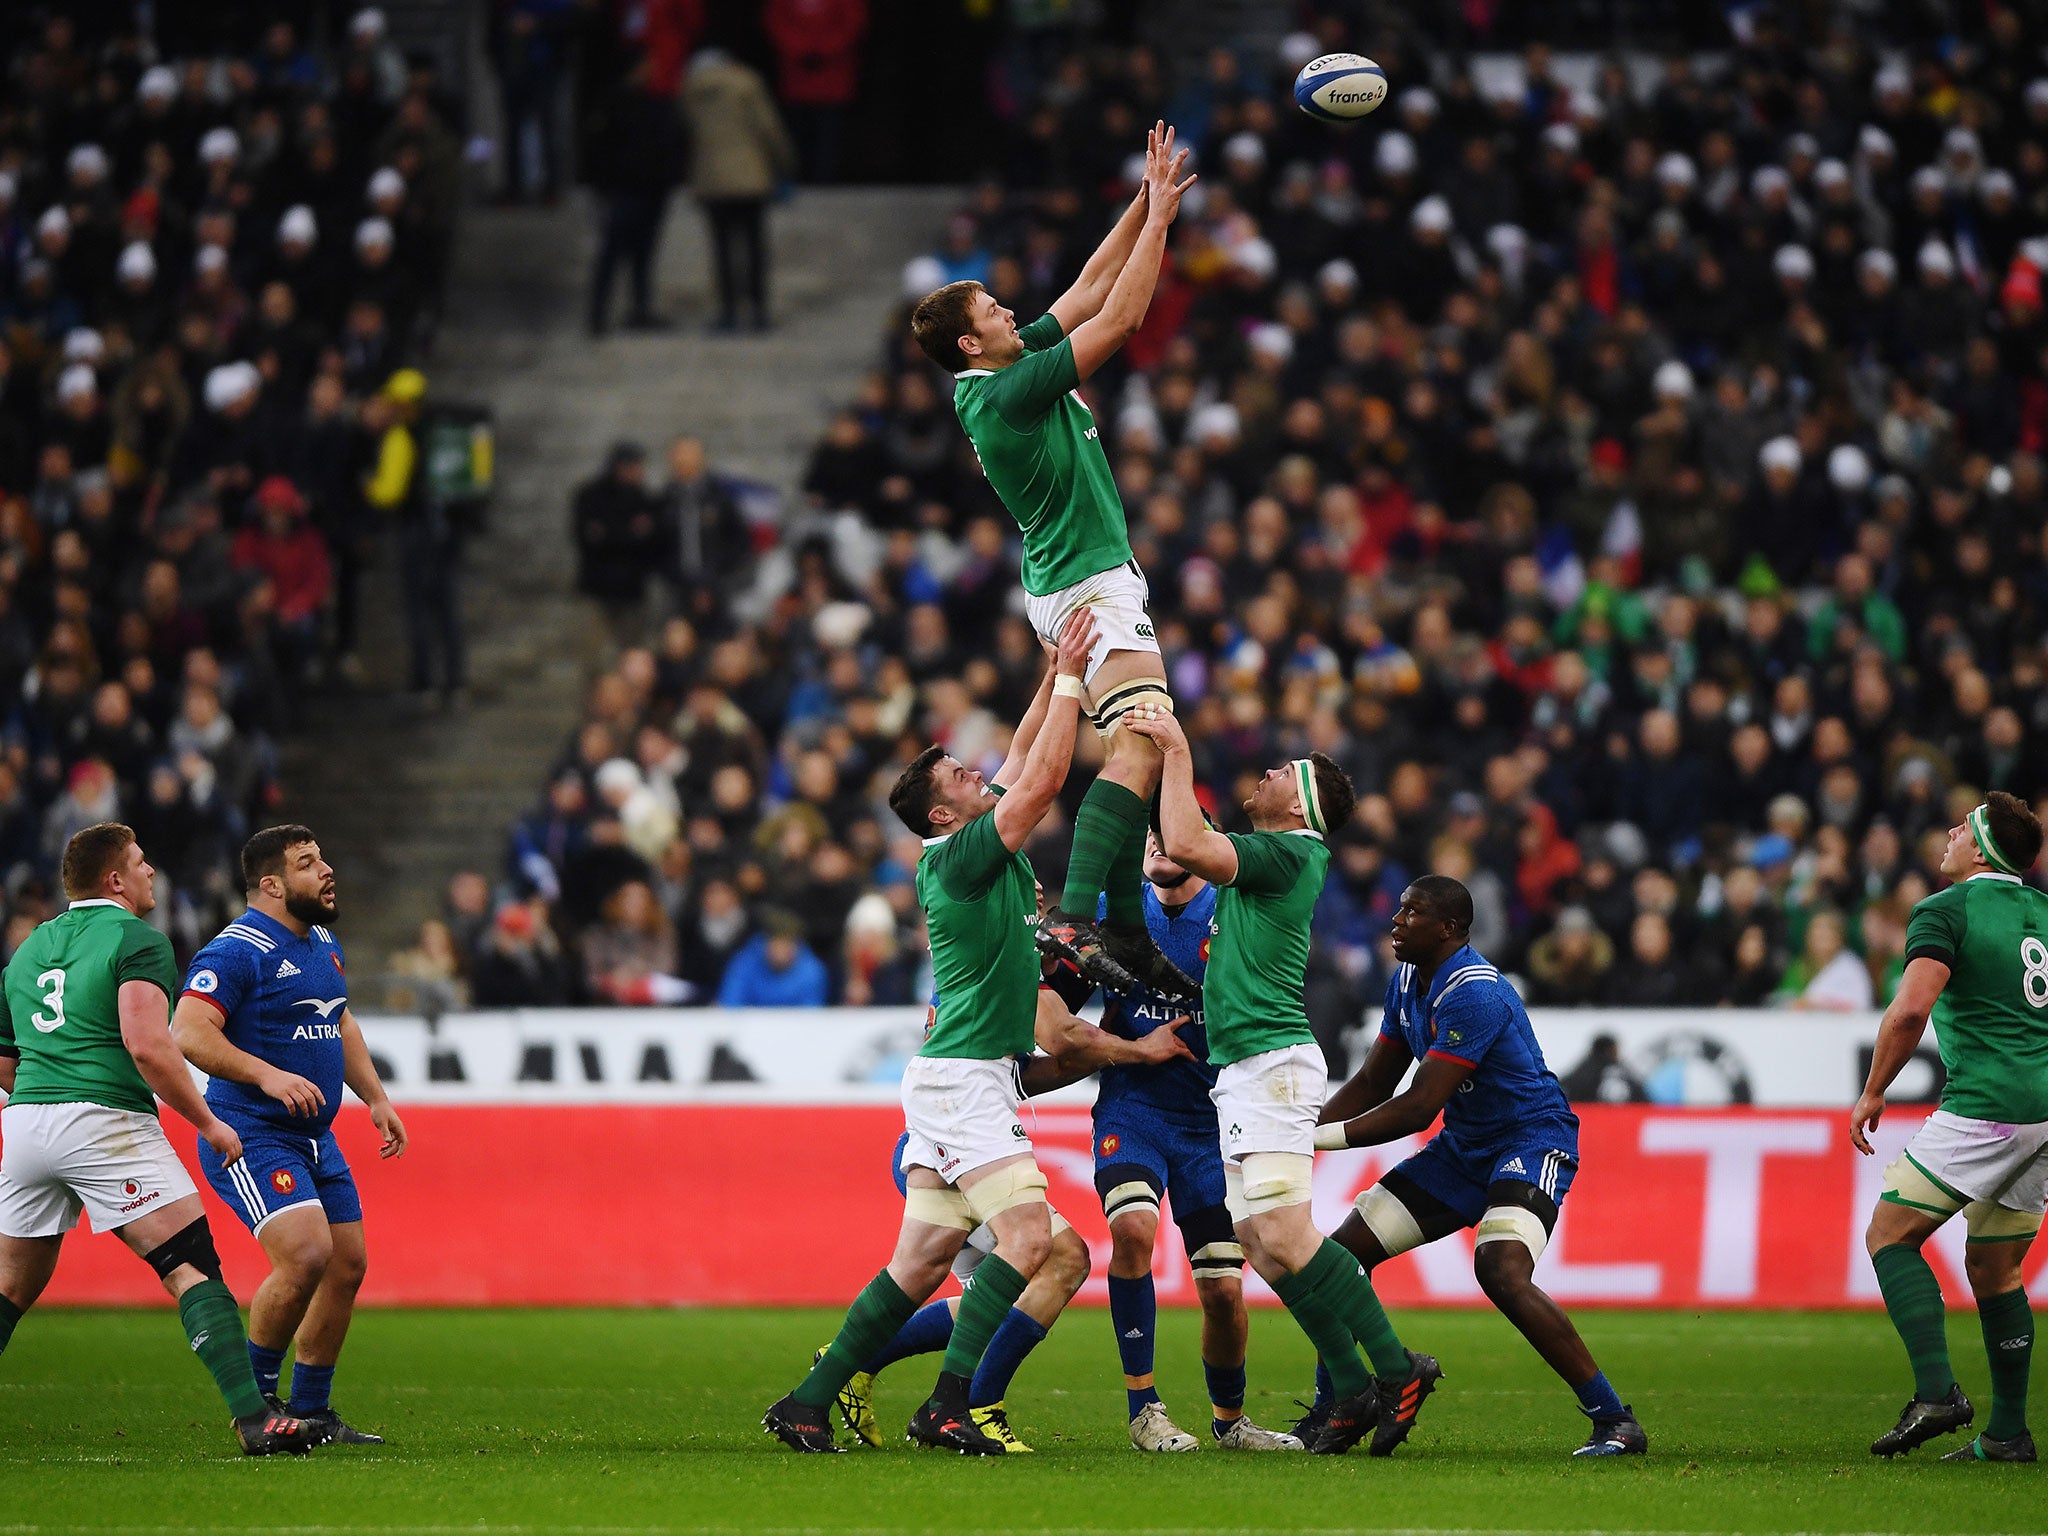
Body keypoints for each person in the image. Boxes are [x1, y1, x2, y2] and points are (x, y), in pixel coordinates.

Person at [762, 608, 1097, 1454]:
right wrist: (1070, 684)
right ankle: (950, 1404)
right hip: (963, 1081)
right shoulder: (960, 856)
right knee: (1029, 1241)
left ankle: (807, 1400)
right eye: (957, 775)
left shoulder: (971, 846)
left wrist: (1055, 669)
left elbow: (1021, 762)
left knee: (918, 1266)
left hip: (956, 1077)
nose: (975, 772)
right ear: (943, 816)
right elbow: (1041, 784)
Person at [909, 124, 1198, 1004]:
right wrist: (1163, 229)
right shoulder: (1006, 391)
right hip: (1088, 580)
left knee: (1137, 744)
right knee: (1147, 737)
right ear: (968, 345)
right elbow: (1120, 317)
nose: (1006, 310)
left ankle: (1120, 931)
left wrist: (1144, 201)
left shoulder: (1002, 367)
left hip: (1071, 576)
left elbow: (1081, 289)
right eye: (990, 310)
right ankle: (1079, 919)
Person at [1124, 703, 1419, 1458]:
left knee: (1285, 1233)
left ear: (1303, 805)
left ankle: (1395, 1371)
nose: (1267, 773)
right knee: (1257, 1241)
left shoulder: (1289, 853)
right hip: (1245, 1072)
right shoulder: (1275, 855)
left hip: (1274, 1064)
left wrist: (1175, 748)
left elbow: (1185, 841)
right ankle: (1352, 1390)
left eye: (1284, 772)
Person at [1308, 874, 1648, 1459]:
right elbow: (1372, 1081)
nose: (1396, 920)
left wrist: (1316, 1138)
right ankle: (1341, 1405)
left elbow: (1418, 1107)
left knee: (1500, 1269)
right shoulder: (1407, 981)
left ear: (1450, 929)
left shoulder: (1475, 990)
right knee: (1340, 1259)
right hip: (1466, 1147)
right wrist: (1301, 1132)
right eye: (1398, 908)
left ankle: (1615, 1419)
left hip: (1531, 1138)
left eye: (1412, 912)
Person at [0, 822, 314, 1455]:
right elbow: (148, 1045)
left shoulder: (28, 950)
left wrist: (33, 1118)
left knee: (9, 1287)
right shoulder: (138, 940)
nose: (151, 873)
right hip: (103, 1120)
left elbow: (6, 1061)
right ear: (115, 879)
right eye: (141, 863)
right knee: (191, 1265)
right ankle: (255, 1419)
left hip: (27, 1122)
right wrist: (208, 1122)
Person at [833, 972, 1191, 1453]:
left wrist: (1104, 1048)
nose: (1038, 894)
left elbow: (1024, 1075)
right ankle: (976, 1406)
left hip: (947, 1146)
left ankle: (853, 1362)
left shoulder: (983, 958)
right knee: (1064, 1259)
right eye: (1032, 893)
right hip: (958, 1152)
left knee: (997, 1298)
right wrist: (1133, 1048)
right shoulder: (1000, 956)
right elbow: (1061, 1036)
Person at [170, 826, 408, 1448]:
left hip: (315, 1137)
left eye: (322, 858)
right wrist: (268, 1076)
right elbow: (189, 1032)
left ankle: (314, 1411)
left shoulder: (322, 941)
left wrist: (375, 1097)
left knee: (347, 1265)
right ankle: (254, 1406)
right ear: (271, 885)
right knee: (306, 1255)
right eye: (309, 864)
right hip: (251, 1134)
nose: (327, 870)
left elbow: (341, 1018)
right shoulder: (235, 950)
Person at [1068, 828, 1302, 1452]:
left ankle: (1230, 1422)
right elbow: (1059, 1002)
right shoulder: (1115, 914)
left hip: (1211, 1122)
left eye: (1172, 836)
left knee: (1224, 1291)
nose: (1158, 848)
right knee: (1133, 1231)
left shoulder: (1235, 914)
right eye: (1148, 838)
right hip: (1133, 1107)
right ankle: (1144, 1409)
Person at [1851, 792, 2047, 1464]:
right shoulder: (2046, 916)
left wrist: (1874, 1089)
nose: (1950, 830)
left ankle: (1937, 1392)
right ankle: (2008, 1435)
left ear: (1982, 848)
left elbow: (1909, 1013)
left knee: (1889, 1234)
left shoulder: (1945, 910)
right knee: (1995, 1270)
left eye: (1964, 825)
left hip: (1986, 1108)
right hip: (2044, 1115)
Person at [681, 49, 795, 332]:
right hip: (749, 177)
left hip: (711, 181)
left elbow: (684, 131)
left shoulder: (690, 90)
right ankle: (757, 312)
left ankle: (728, 313)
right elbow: (769, 127)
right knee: (754, 247)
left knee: (721, 249)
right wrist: (786, 163)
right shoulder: (747, 83)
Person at [585, 53, 685, 335]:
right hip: (625, 190)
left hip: (651, 189)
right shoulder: (613, 102)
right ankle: (598, 314)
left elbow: (669, 143)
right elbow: (598, 149)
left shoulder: (655, 102)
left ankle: (640, 310)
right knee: (612, 253)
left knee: (643, 253)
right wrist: (603, 186)